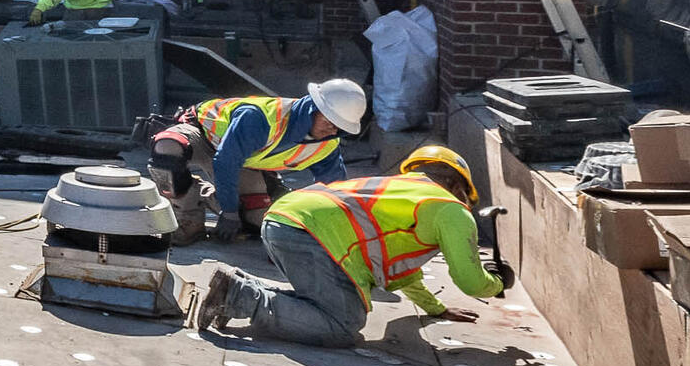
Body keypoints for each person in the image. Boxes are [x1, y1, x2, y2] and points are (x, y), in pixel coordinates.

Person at [190, 144, 502, 349]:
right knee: (343, 323)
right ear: (459, 186)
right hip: (309, 232)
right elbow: (470, 280)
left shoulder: (404, 191)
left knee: (326, 301)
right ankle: (240, 298)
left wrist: (437, 309)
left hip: (287, 218)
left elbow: (405, 274)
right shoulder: (451, 209)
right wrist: (498, 282)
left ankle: (239, 286)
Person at [149, 80, 367, 242]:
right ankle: (187, 217)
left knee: (255, 223)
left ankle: (202, 194)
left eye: (339, 126)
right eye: (329, 121)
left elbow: (336, 190)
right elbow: (225, 163)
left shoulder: (327, 145)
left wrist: (348, 232)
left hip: (242, 160)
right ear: (313, 109)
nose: (332, 130)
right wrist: (230, 211)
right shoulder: (260, 118)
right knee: (167, 147)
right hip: (203, 135)